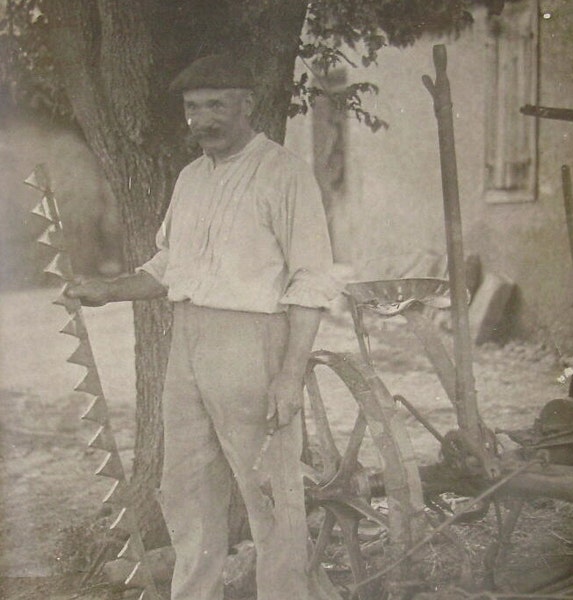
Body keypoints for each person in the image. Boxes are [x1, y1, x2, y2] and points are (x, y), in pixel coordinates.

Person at [66, 53, 339, 600]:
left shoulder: (284, 173)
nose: (203, 118)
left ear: (247, 104)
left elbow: (312, 279)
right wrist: (110, 290)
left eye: (216, 104)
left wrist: (289, 375)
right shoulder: (191, 178)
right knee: (186, 487)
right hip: (186, 340)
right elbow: (170, 267)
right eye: (193, 107)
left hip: (253, 339)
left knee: (269, 489)